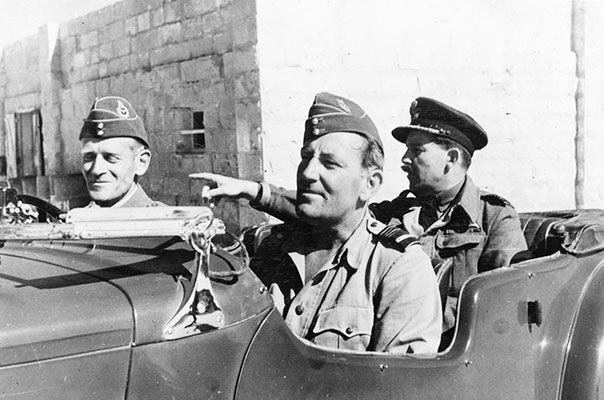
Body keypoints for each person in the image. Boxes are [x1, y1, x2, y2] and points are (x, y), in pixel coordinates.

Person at [194, 97, 527, 343]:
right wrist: (256, 191)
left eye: (416, 150)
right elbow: (324, 208)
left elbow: (506, 308)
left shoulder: (493, 217)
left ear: (451, 158)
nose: (405, 160)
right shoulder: (395, 213)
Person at [79, 96, 164, 207]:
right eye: (89, 157)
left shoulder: (162, 222)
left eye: (111, 158)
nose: (96, 170)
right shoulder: (79, 219)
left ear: (141, 162)